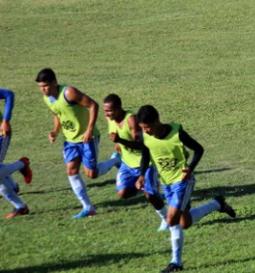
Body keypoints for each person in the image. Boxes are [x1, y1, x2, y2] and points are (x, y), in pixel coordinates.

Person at [134, 105, 236, 273]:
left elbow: (198, 149)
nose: (146, 131)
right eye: (143, 128)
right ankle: (217, 203)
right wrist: (141, 174)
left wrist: (190, 168)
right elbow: (146, 155)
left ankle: (176, 263)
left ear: (157, 121)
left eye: (148, 127)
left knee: (172, 219)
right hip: (167, 183)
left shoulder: (176, 133)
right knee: (185, 222)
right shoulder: (146, 137)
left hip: (183, 182)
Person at [36, 68, 121, 219]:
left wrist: (89, 130)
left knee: (92, 174)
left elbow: (93, 105)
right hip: (70, 140)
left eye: (46, 86)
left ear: (55, 82)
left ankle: (116, 160)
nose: (43, 89)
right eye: (41, 87)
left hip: (87, 138)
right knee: (71, 171)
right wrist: (55, 131)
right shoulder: (48, 98)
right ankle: (88, 207)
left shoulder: (69, 93)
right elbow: (57, 113)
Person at [103, 94, 168, 231]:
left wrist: (120, 141)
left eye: (109, 111)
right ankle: (150, 188)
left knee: (150, 195)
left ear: (119, 108)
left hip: (144, 163)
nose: (107, 114)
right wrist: (119, 145)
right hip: (127, 164)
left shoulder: (131, 120)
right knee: (123, 193)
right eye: (105, 111)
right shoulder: (111, 119)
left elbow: (141, 146)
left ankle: (166, 218)